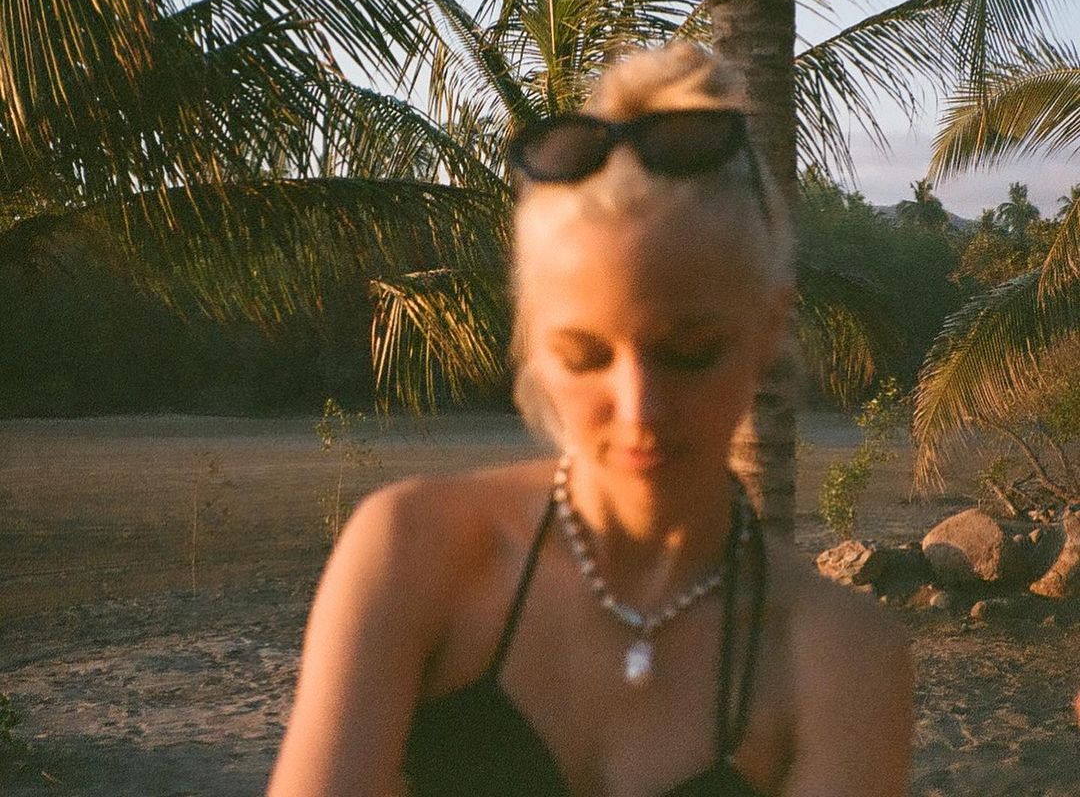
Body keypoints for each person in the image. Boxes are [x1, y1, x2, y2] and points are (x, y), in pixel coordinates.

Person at [268, 42, 913, 796]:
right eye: (584, 356)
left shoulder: (841, 657)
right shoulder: (414, 553)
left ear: (770, 329)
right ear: (532, 343)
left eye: (691, 354)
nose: (640, 410)